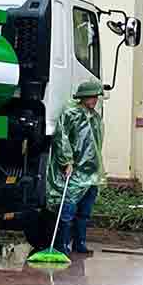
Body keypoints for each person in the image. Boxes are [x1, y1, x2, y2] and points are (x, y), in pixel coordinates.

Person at [45, 78, 105, 256]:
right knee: (68, 210)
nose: (95, 100)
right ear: (83, 97)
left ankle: (80, 243)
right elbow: (61, 138)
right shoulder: (71, 114)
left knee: (85, 212)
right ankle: (62, 245)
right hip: (75, 172)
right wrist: (67, 161)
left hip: (91, 173)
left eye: (96, 97)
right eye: (92, 96)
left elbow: (96, 143)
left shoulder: (95, 117)